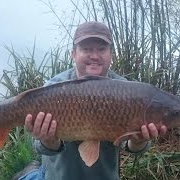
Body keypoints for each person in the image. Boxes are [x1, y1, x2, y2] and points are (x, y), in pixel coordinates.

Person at [19, 21, 167, 180]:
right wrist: (49, 141)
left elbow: (130, 147)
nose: (95, 56)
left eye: (102, 49)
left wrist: (138, 142)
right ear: (73, 54)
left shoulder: (127, 90)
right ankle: (32, 173)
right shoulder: (53, 87)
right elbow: (41, 147)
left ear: (111, 55)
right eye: (86, 49)